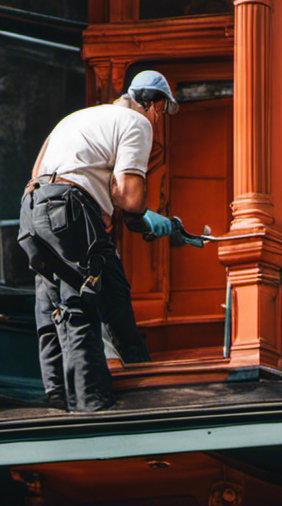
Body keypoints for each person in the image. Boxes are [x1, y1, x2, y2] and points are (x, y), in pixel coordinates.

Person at [18, 70, 185, 412]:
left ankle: (59, 402)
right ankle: (94, 405)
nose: (160, 119)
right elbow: (128, 196)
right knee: (83, 304)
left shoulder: (77, 118)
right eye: (162, 111)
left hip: (35, 213)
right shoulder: (136, 122)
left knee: (57, 308)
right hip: (72, 210)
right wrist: (150, 219)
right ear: (152, 103)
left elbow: (34, 175)